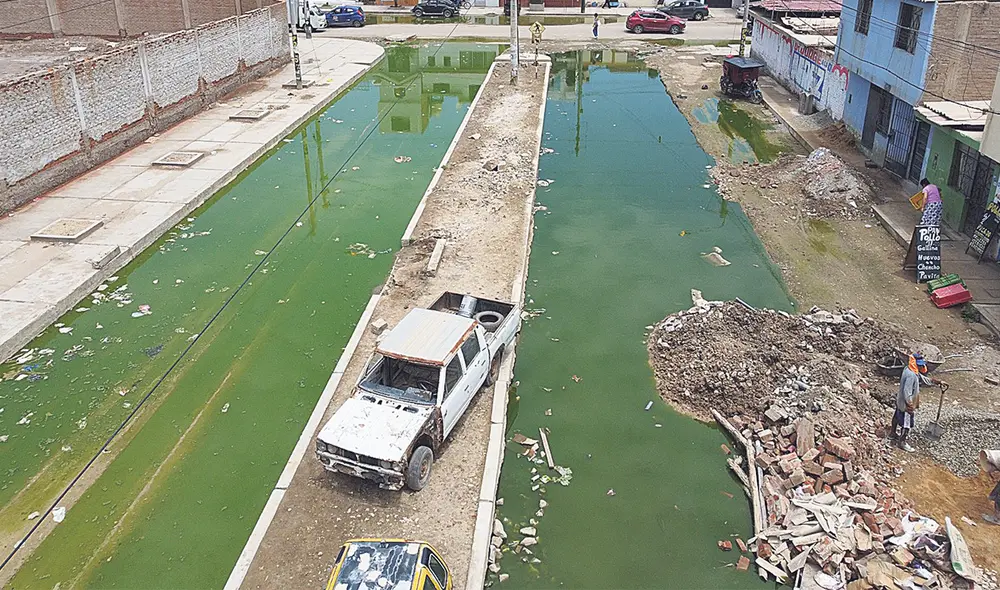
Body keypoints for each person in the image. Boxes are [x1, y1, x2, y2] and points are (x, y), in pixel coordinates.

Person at [890, 353, 941, 452]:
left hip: (900, 400)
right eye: (920, 364)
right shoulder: (911, 375)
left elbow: (921, 378)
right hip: (905, 403)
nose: (921, 366)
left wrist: (935, 382)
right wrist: (909, 405)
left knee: (896, 415)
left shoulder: (909, 369)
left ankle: (892, 433)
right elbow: (907, 391)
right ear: (914, 363)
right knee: (907, 423)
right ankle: (902, 442)